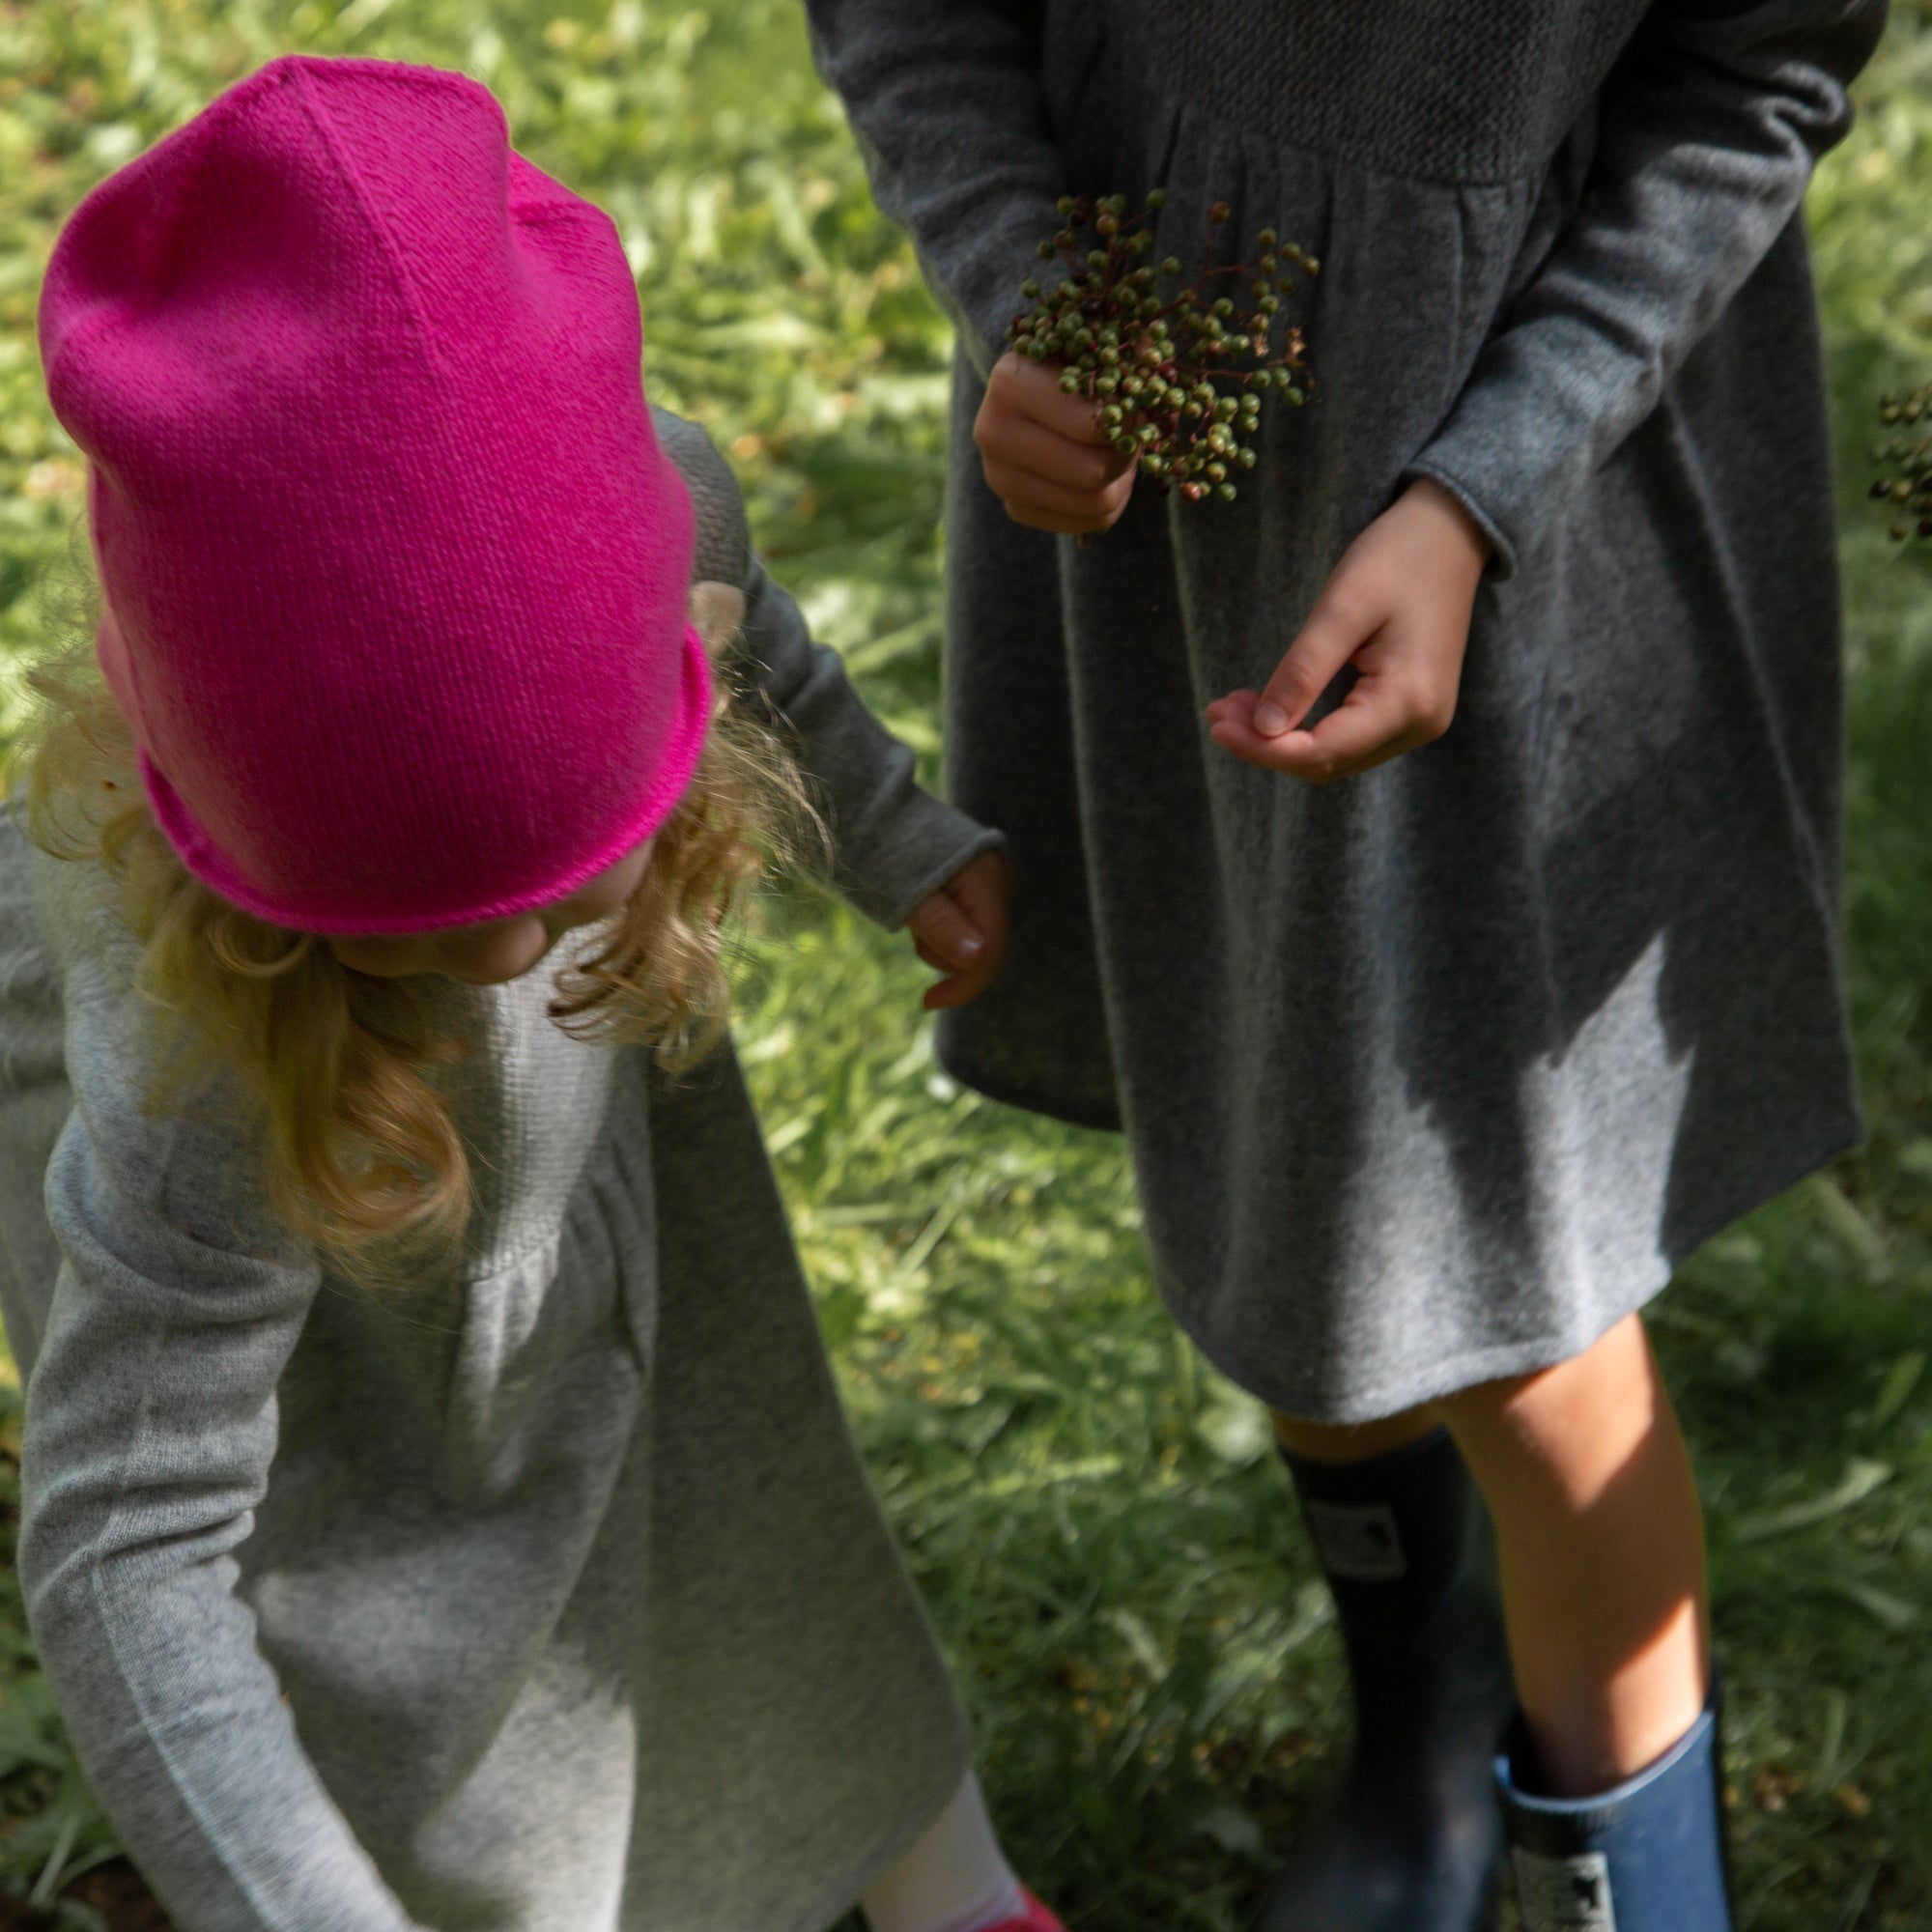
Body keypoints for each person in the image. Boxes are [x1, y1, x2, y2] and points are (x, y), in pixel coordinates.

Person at [803, 2, 1887, 1927]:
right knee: (1280, 1116)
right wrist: (1028, 288)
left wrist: (1483, 491)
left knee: (1516, 1289)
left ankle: (1627, 1882)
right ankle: (1421, 1722)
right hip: (1174, 491)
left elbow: (1750, 70)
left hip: (1552, 472)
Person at [0, 53, 1052, 1932]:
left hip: (595, 1188)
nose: (504, 954)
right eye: (423, 908)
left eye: (556, 874)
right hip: (336, 1196)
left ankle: (949, 1886)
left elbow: (751, 626)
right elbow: (124, 1554)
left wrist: (892, 834)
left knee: (738, 1479)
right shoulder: (193, 1064)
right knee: (454, 1641)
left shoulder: (657, 512)